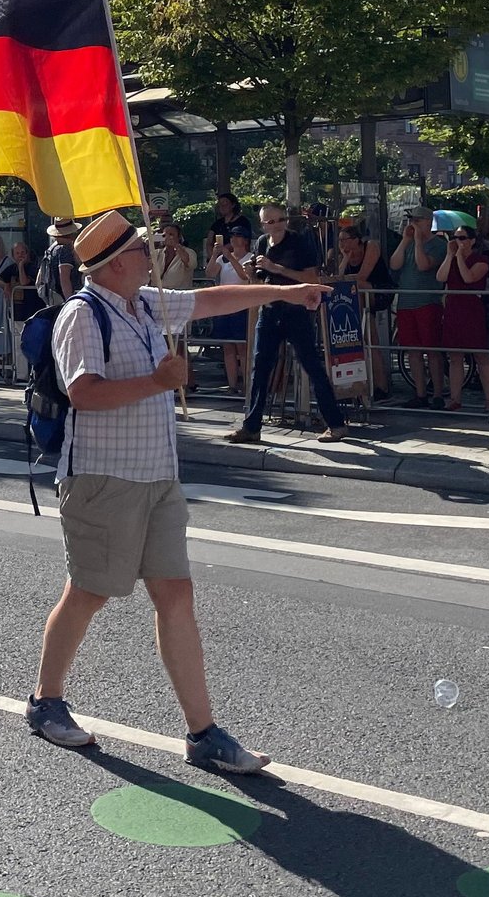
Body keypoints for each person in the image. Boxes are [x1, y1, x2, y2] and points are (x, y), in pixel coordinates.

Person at [26, 209, 328, 768]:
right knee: (88, 593)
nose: (152, 253)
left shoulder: (146, 303)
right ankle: (45, 702)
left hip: (158, 477)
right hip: (103, 479)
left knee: (176, 595)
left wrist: (290, 292)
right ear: (117, 264)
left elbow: (216, 299)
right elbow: (85, 393)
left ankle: (203, 733)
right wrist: (157, 383)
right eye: (142, 249)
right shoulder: (82, 315)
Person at [225, 205, 351, 444]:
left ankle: (336, 423)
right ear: (262, 225)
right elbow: (260, 277)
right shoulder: (262, 243)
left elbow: (311, 278)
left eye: (277, 220)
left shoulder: (300, 242)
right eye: (268, 222)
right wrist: (253, 271)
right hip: (270, 309)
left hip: (296, 311)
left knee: (312, 366)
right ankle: (251, 426)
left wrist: (277, 268)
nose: (273, 225)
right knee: (259, 369)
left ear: (285, 220)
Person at [389, 206, 447, 408]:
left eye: (417, 220)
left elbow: (423, 265)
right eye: (411, 220)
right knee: (413, 350)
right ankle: (420, 393)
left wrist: (419, 242)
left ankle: (438, 393)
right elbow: (395, 265)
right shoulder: (408, 243)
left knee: (432, 349)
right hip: (406, 303)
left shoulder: (439, 245)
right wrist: (406, 240)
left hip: (427, 302)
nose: (413, 224)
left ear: (427, 221)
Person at [436, 217, 489, 412]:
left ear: (471, 241)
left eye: (462, 238)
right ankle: (455, 398)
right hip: (454, 308)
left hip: (472, 309)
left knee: (481, 356)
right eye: (455, 237)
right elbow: (440, 277)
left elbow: (469, 278)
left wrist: (460, 256)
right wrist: (449, 255)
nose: (457, 241)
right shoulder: (452, 257)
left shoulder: (481, 260)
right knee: (455, 357)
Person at [329, 226, 393, 401]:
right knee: (363, 341)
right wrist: (345, 258)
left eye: (346, 239)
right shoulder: (341, 254)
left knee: (371, 340)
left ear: (357, 239)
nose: (343, 244)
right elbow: (338, 279)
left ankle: (382, 386)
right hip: (356, 300)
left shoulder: (370, 247)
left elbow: (362, 277)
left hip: (377, 291)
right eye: (340, 240)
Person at [204, 228, 255, 393]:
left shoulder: (250, 258)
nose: (233, 239)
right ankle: (232, 385)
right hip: (224, 305)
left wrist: (231, 257)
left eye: (238, 235)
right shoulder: (222, 258)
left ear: (245, 240)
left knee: (242, 347)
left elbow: (244, 276)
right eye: (232, 236)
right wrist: (214, 254)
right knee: (227, 347)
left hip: (241, 305)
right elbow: (209, 273)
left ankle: (247, 384)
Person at [37, 218, 82, 307]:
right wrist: (70, 302)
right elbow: (64, 278)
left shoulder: (51, 249)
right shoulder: (64, 250)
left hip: (53, 298)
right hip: (63, 300)